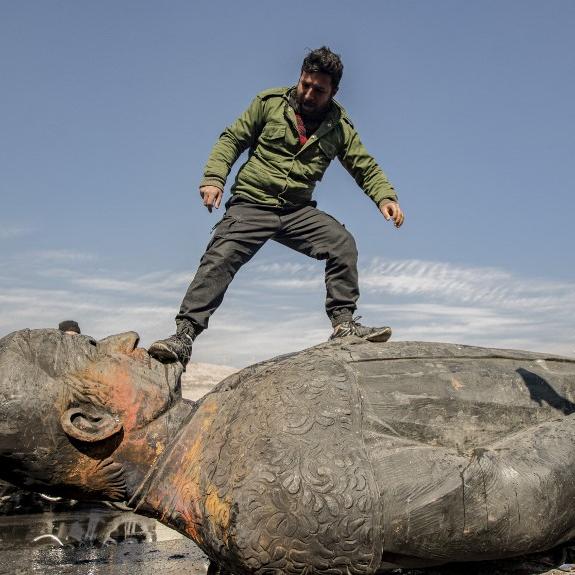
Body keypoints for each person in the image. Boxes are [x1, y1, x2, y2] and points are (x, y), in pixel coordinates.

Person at [149, 46, 404, 366]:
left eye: (319, 90)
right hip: (251, 202)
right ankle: (184, 335)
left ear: (333, 91)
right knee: (220, 257)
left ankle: (343, 324)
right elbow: (232, 138)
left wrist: (385, 198)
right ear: (299, 78)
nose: (309, 93)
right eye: (305, 84)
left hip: (296, 210)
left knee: (342, 243)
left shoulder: (339, 127)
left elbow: (364, 167)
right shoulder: (268, 104)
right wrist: (214, 177)